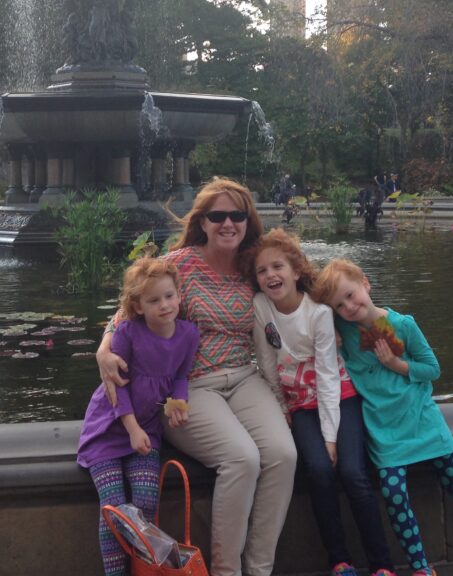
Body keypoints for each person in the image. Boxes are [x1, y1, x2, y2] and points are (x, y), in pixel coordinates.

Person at [96, 177, 297, 576]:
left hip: (244, 377)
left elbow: (301, 291)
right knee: (241, 458)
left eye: (236, 215)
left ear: (247, 220)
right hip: (188, 386)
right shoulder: (182, 263)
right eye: (217, 215)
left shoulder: (252, 265)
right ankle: (226, 571)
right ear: (202, 222)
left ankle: (259, 569)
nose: (228, 223)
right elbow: (130, 310)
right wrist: (104, 347)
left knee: (283, 454)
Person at [313, 259, 453, 576]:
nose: (349, 306)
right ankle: (421, 568)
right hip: (385, 431)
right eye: (339, 305)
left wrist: (397, 366)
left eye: (350, 294)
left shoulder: (402, 325)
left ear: (365, 283)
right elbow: (308, 306)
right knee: (394, 495)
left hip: (423, 421)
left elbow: (432, 369)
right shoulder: (343, 327)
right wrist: (329, 324)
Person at [249, 230, 396, 576]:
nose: (271, 275)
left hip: (339, 398)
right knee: (317, 469)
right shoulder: (260, 305)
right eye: (262, 270)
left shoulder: (317, 313)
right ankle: (339, 560)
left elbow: (329, 375)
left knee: (352, 472)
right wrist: (281, 408)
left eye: (278, 266)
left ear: (296, 270)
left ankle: (382, 564)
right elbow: (267, 362)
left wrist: (330, 436)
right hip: (299, 405)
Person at [78, 258, 199, 576]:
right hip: (109, 427)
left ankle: (143, 569)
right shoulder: (129, 332)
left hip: (146, 427)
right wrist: (130, 428)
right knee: (114, 506)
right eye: (154, 300)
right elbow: (116, 388)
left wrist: (178, 406)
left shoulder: (188, 335)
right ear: (138, 305)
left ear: (179, 295)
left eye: (169, 296)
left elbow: (181, 377)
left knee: (146, 499)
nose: (165, 305)